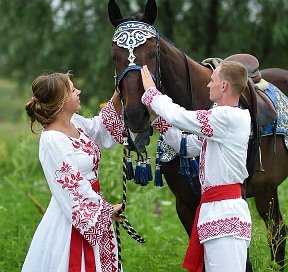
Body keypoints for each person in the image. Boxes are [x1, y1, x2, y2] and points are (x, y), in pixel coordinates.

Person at [140, 62, 252, 272]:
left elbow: (181, 116)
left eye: (212, 80)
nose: (209, 85)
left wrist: (152, 94)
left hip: (225, 212)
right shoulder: (221, 124)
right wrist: (158, 116)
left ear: (224, 86)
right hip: (215, 211)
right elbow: (185, 146)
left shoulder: (227, 117)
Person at [22, 72, 124, 272]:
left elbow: (100, 129)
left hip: (94, 204)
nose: (78, 91)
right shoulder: (52, 140)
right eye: (72, 89)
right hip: (71, 216)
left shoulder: (75, 122)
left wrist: (119, 92)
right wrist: (106, 210)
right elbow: (72, 185)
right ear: (60, 101)